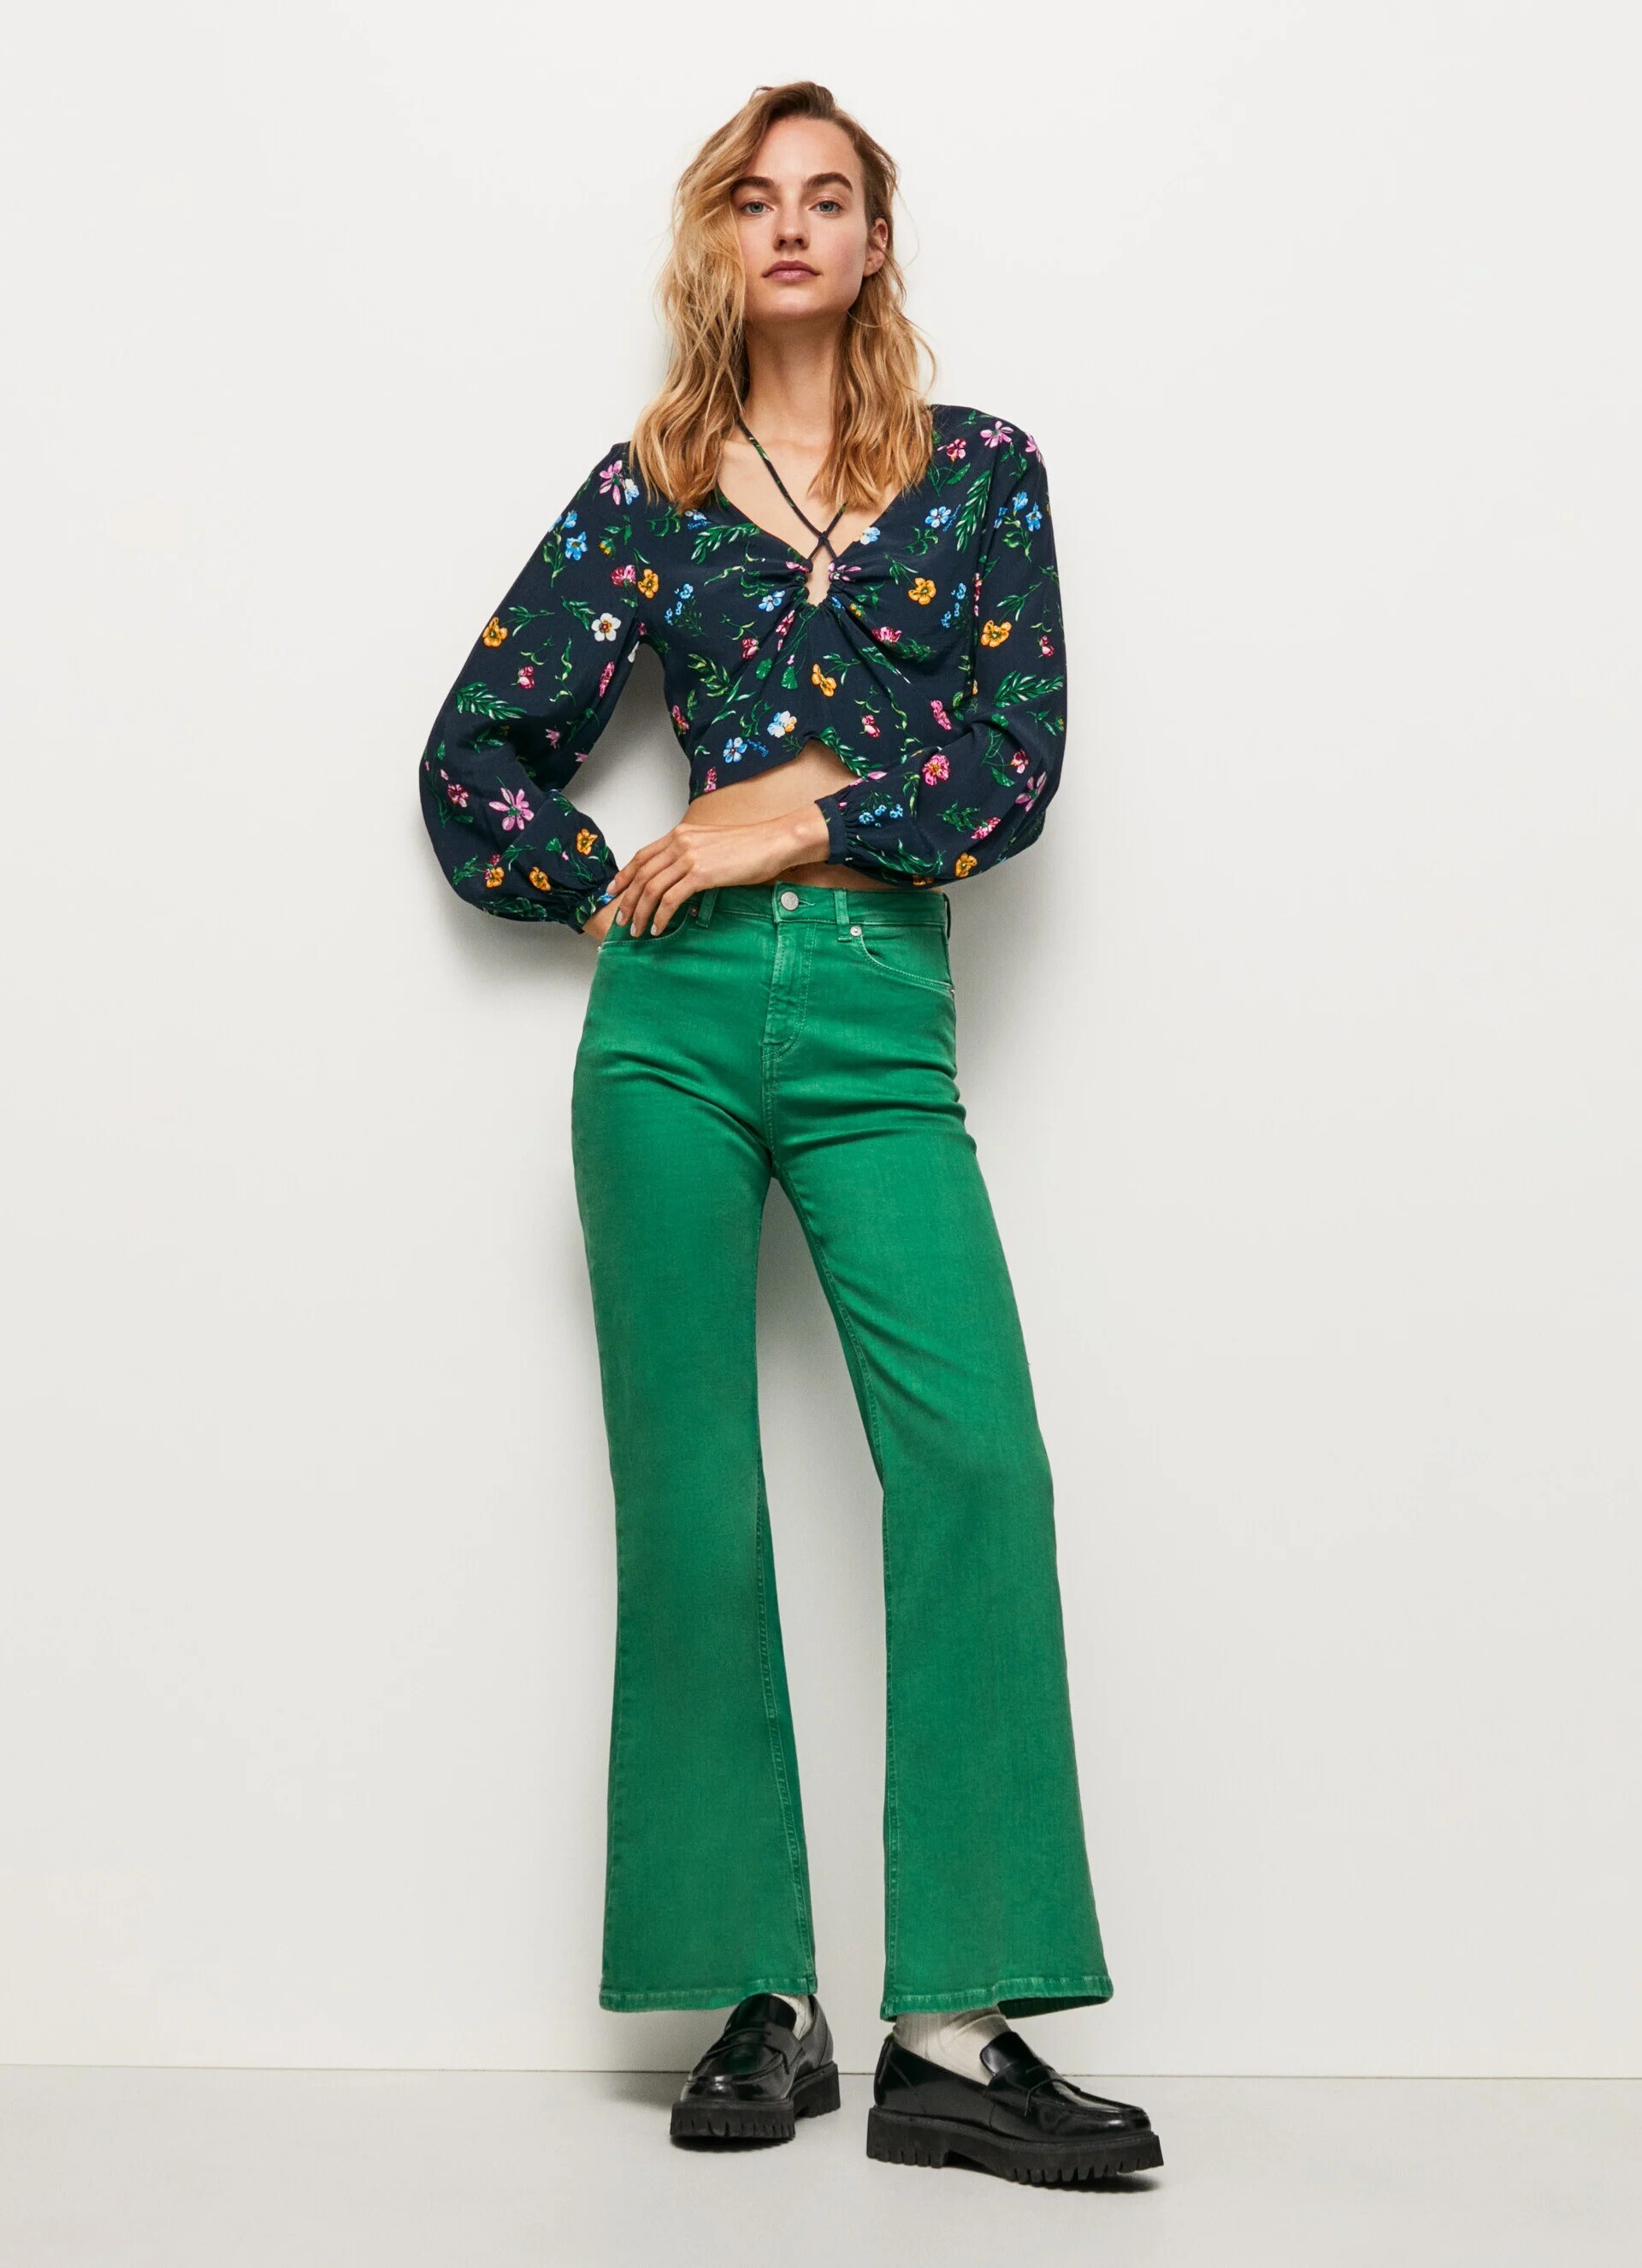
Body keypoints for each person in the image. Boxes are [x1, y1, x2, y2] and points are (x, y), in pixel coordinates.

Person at [417, 79, 1162, 2188]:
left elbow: (1011, 766)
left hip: (872, 1016)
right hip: (665, 1035)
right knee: (692, 1495)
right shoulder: (650, 493)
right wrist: (616, 877)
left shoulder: (979, 474)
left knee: (976, 1464)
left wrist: (791, 814)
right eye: (758, 198)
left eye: (831, 197)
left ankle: (954, 2026)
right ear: (719, 241)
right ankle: (758, 1990)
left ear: (876, 238)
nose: (796, 226)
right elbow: (473, 757)